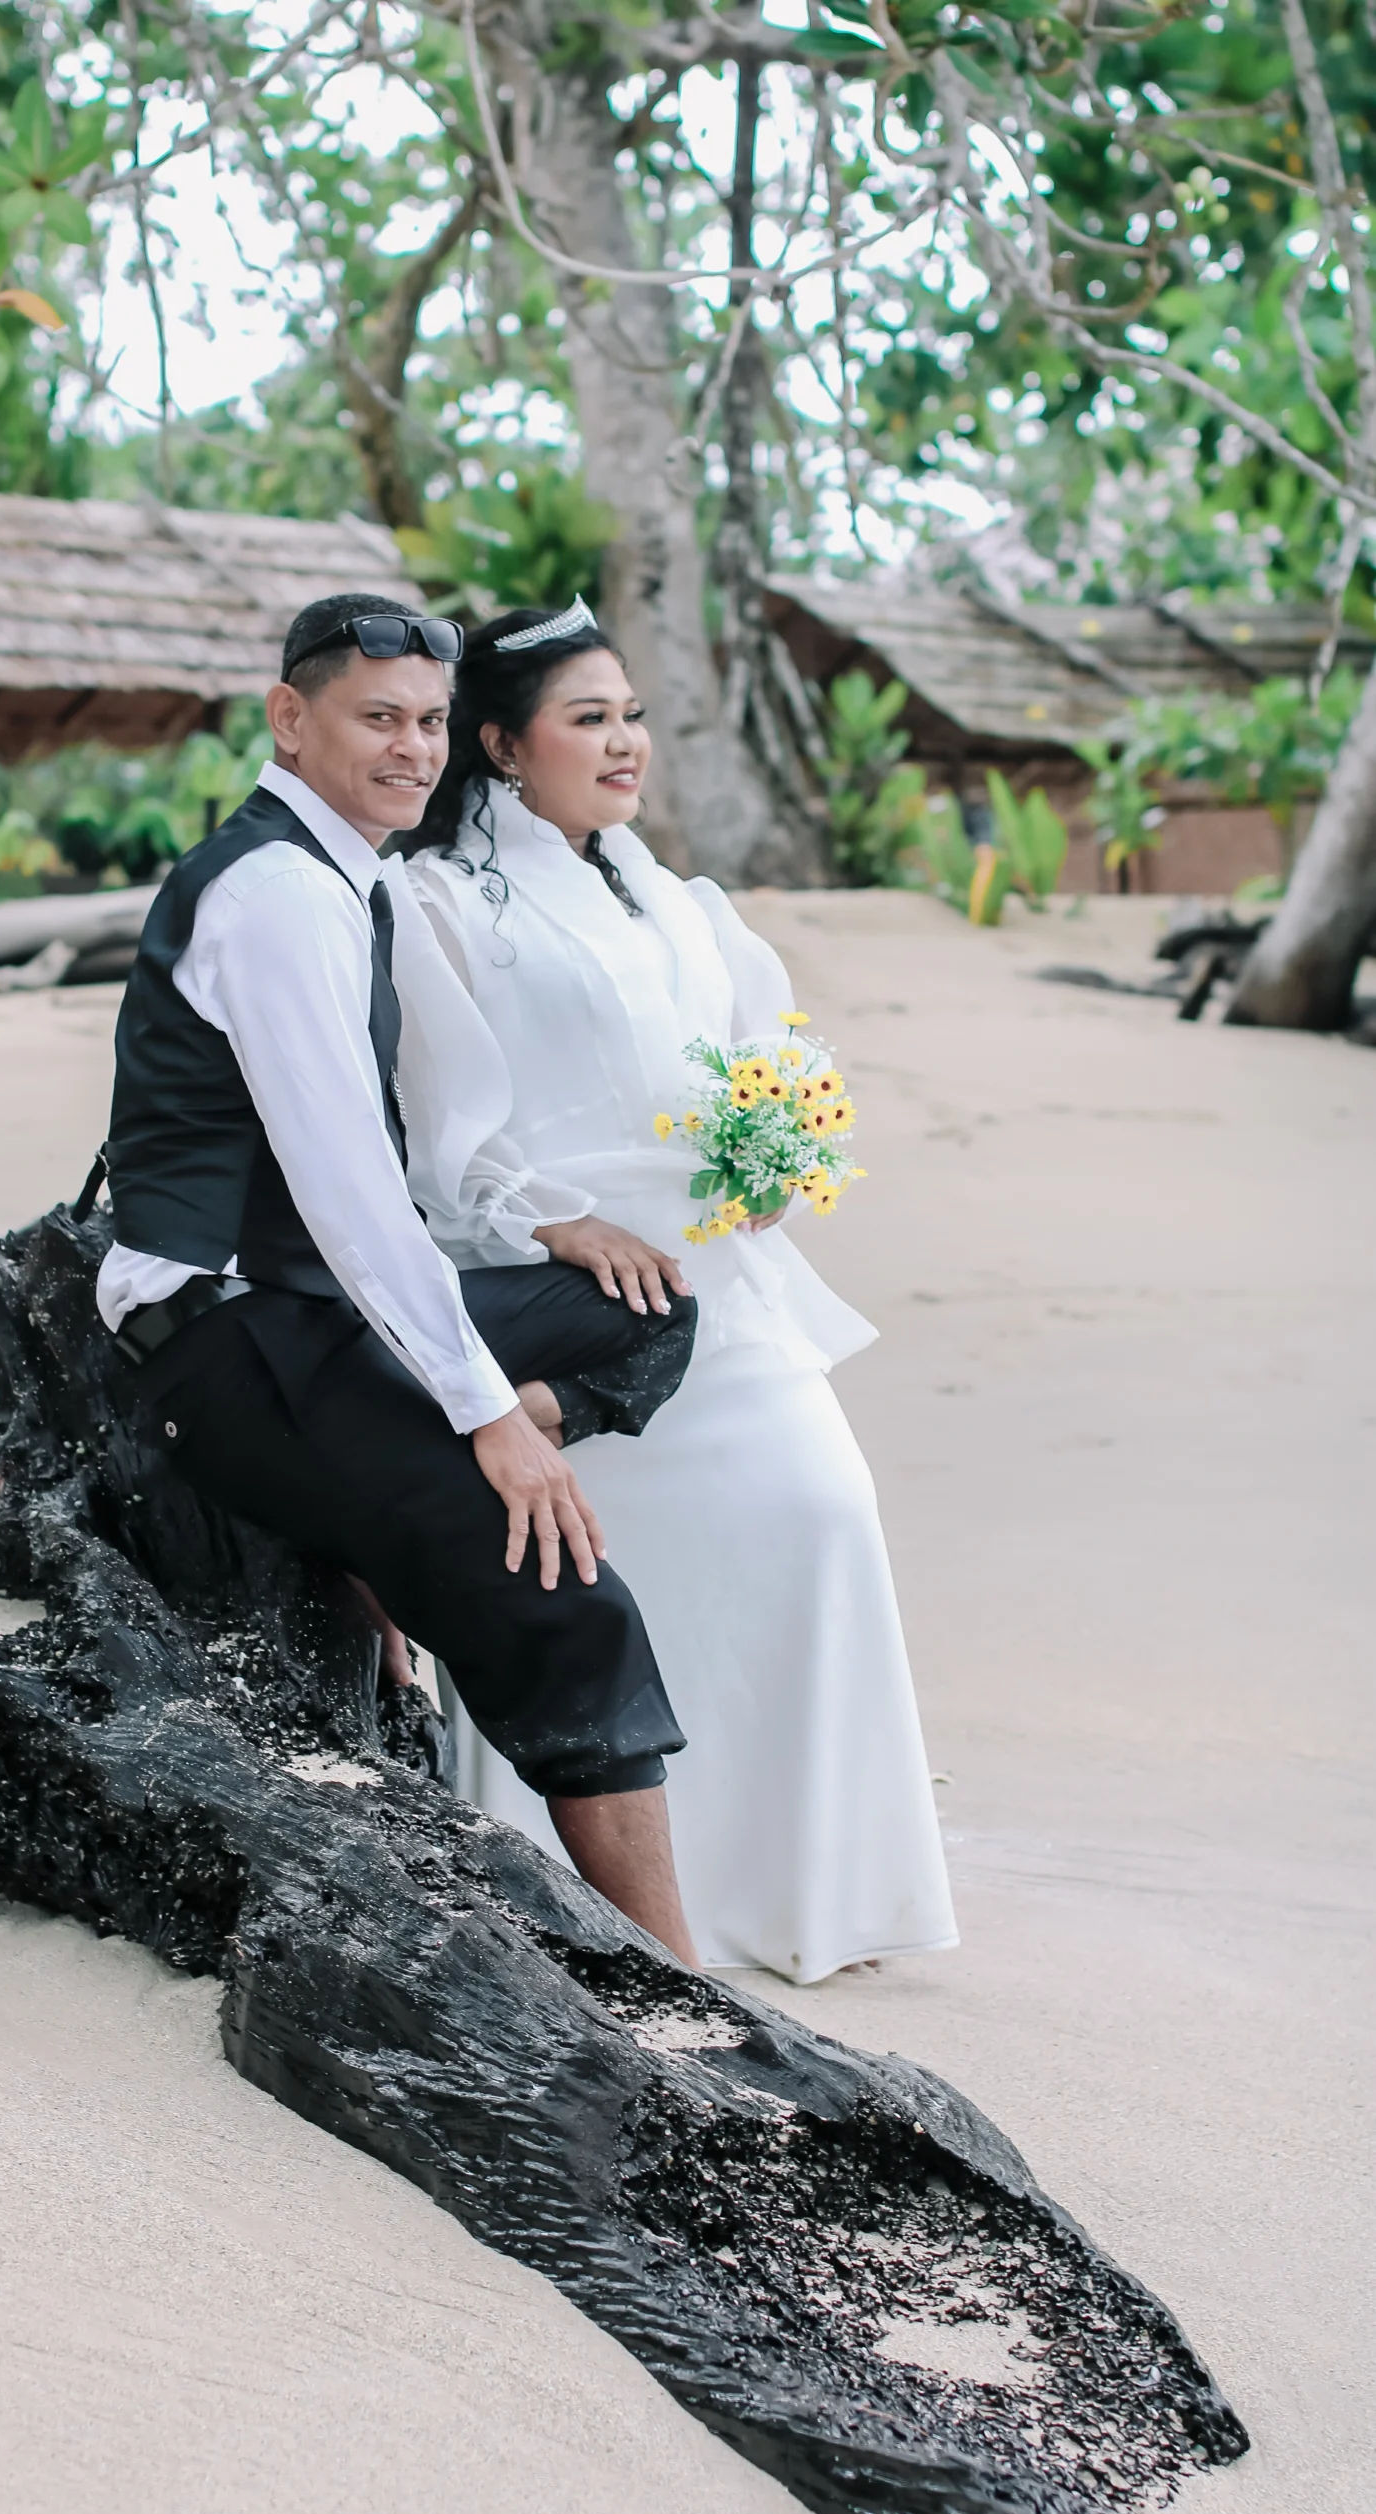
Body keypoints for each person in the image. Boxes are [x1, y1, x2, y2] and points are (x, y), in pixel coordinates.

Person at [88, 592, 703, 1963]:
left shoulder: (343, 874)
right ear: (288, 719)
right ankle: (683, 1996)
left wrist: (540, 1238)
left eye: (430, 721)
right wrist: (486, 1418)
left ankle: (397, 1485)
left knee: (642, 1306)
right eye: (377, 719)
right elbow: (349, 1195)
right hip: (232, 1345)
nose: (414, 750)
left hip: (311, 1319)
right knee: (568, 1604)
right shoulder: (279, 895)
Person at [394, 599, 958, 1985]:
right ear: (501, 746)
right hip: (561, 1295)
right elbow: (436, 1131)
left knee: (822, 1513)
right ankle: (608, 1902)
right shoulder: (439, 904)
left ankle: (808, 1895)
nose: (625, 743)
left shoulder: (680, 901)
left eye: (632, 716)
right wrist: (550, 1221)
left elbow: (772, 1048)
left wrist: (783, 1153)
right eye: (588, 719)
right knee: (588, 1581)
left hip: (723, 1282)